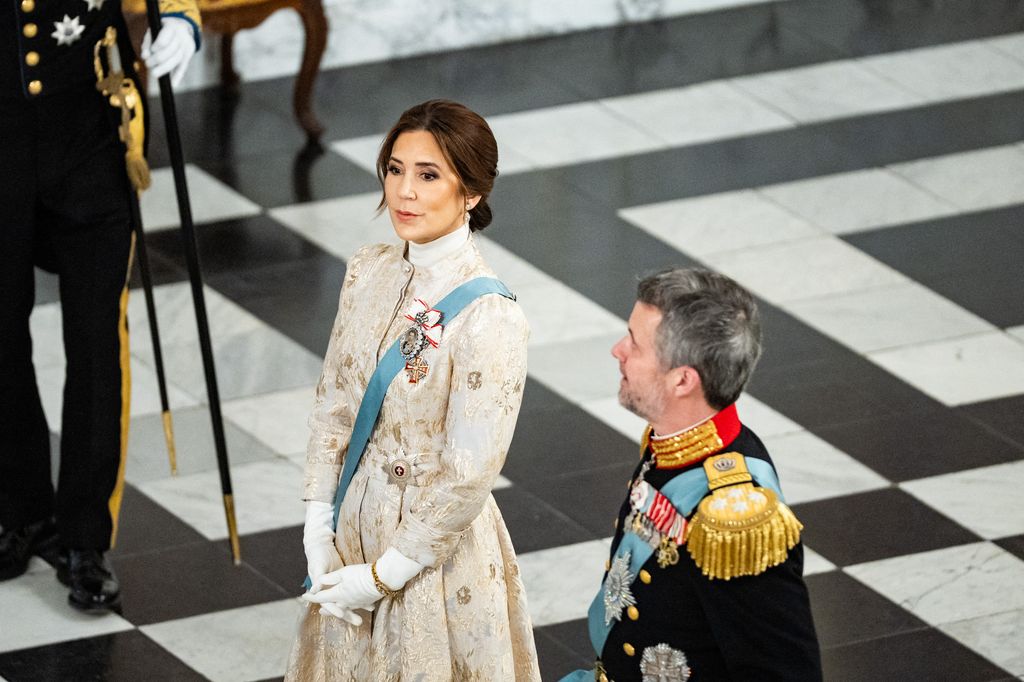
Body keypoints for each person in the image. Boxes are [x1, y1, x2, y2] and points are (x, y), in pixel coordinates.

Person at [286, 99, 541, 681]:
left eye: (429, 176)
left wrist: (384, 576)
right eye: (395, 169)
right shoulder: (367, 270)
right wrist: (318, 528)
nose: (404, 191)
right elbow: (334, 406)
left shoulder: (489, 315)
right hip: (350, 525)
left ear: (471, 192)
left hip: (430, 553)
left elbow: (469, 474)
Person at [0, 0, 200, 613]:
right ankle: (19, 510)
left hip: (90, 137)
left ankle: (86, 537)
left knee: (96, 340)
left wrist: (182, 20)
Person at [562, 269, 821, 681]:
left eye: (634, 343)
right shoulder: (671, 441)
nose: (618, 350)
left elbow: (784, 672)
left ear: (683, 380)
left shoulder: (735, 522)